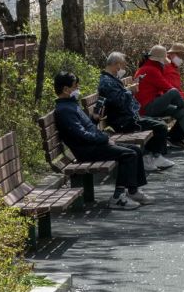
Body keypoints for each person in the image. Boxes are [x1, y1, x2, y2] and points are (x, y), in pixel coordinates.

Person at [54, 70, 149, 210]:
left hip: (92, 144)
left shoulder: (71, 104)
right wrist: (104, 138)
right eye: (75, 86)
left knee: (134, 149)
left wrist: (94, 119)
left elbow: (85, 129)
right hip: (86, 150)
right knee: (129, 155)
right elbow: (80, 135)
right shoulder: (64, 110)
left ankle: (133, 191)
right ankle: (117, 198)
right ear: (66, 89)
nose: (78, 89)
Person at [98, 52, 174, 172]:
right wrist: (131, 91)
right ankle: (152, 157)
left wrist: (128, 91)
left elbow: (119, 97)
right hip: (123, 121)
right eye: (122, 66)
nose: (122, 69)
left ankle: (152, 156)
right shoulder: (106, 82)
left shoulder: (111, 79)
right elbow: (118, 101)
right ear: (116, 65)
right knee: (160, 126)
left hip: (127, 117)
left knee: (158, 122)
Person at [134, 46, 184, 153]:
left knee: (180, 111)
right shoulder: (151, 70)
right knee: (174, 92)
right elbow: (168, 88)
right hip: (146, 108)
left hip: (148, 105)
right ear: (158, 61)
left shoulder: (145, 68)